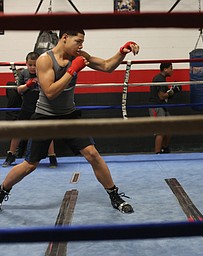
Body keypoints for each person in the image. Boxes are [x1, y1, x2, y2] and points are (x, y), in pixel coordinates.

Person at [0, 30, 139, 214]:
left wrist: (122, 52)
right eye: (78, 41)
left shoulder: (79, 55)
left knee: (93, 154)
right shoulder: (45, 60)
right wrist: (73, 70)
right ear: (65, 37)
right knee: (30, 165)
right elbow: (50, 92)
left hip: (69, 116)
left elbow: (106, 66)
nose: (81, 45)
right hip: (44, 118)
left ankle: (114, 195)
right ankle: (2, 192)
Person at [2, 52, 58, 168]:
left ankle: (52, 157)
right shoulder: (23, 73)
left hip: (42, 106)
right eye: (30, 65)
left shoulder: (44, 72)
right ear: (27, 64)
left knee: (47, 131)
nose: (32, 67)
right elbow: (19, 90)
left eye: (35, 65)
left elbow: (51, 88)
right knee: (18, 130)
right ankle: (11, 155)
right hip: (27, 106)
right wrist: (28, 85)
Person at [148, 62, 182, 154]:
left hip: (162, 106)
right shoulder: (159, 79)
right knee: (160, 131)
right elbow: (161, 96)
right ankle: (157, 153)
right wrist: (173, 91)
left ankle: (164, 148)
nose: (172, 70)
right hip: (156, 106)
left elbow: (165, 95)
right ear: (165, 69)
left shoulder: (162, 79)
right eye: (171, 68)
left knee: (169, 128)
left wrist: (172, 91)